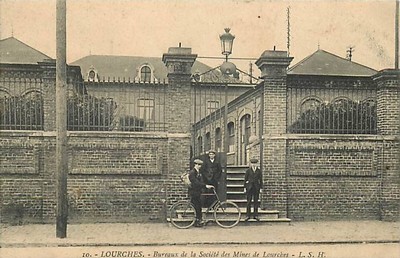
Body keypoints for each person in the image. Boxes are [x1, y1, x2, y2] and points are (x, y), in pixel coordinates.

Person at [189, 159, 214, 227]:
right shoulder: (192, 172)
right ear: (195, 165)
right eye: (198, 165)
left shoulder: (198, 172)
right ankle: (197, 222)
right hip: (194, 192)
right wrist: (205, 186)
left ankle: (199, 220)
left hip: (197, 191)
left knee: (198, 206)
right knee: (197, 207)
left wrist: (206, 185)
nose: (199, 166)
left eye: (200, 165)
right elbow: (196, 182)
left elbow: (201, 181)